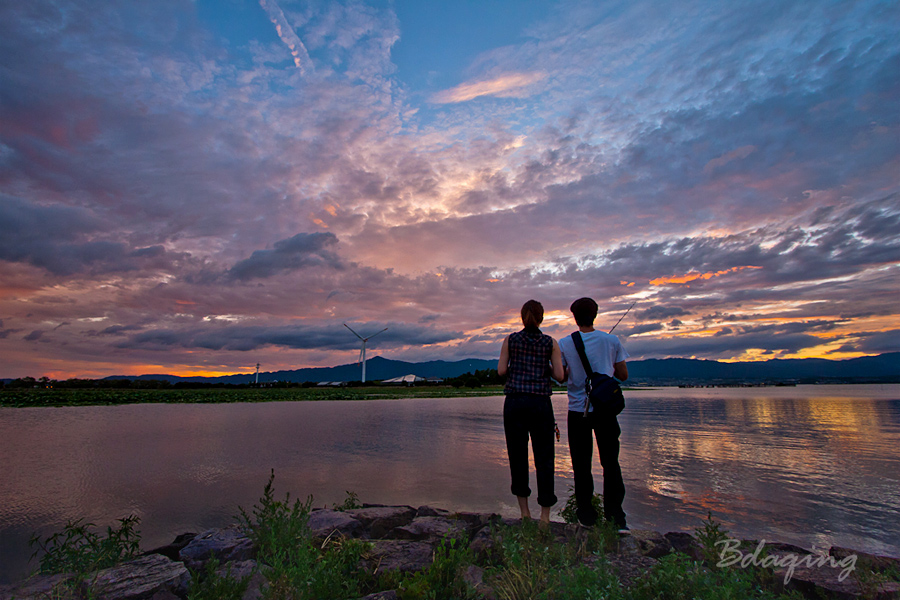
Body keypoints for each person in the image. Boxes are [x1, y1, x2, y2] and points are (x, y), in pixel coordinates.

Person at [558, 297, 629, 531]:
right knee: (611, 463)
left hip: (578, 411)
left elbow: (562, 376)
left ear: (574, 317)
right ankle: (616, 518)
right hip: (606, 410)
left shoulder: (565, 343)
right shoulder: (612, 340)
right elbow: (623, 375)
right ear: (595, 314)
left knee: (581, 465)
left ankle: (586, 517)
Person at [498, 299, 565, 526]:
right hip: (540, 404)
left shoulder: (510, 340)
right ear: (542, 317)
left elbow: (501, 371)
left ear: (522, 317)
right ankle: (544, 516)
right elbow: (560, 376)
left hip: (515, 403)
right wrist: (543, 366)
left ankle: (525, 513)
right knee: (545, 458)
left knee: (517, 457)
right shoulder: (550, 342)